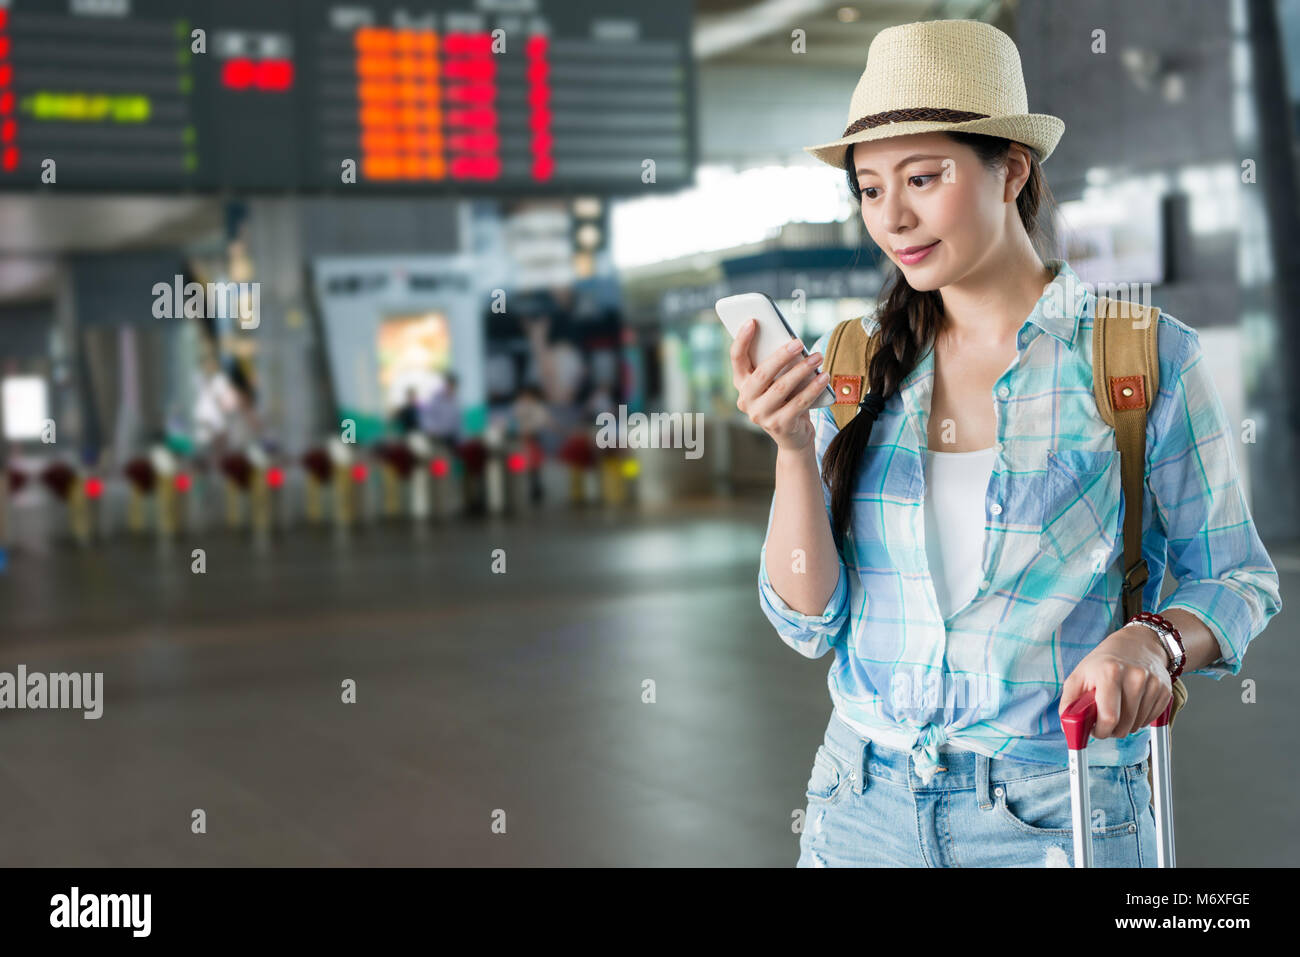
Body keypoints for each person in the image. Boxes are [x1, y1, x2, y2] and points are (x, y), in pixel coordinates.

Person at [736, 19, 1281, 868]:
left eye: (924, 177)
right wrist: (792, 450)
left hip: (1059, 809)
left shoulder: (1139, 357)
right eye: (871, 189)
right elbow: (811, 623)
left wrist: (1155, 640)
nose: (895, 217)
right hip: (857, 805)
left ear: (1011, 171)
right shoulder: (851, 363)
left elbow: (1238, 578)